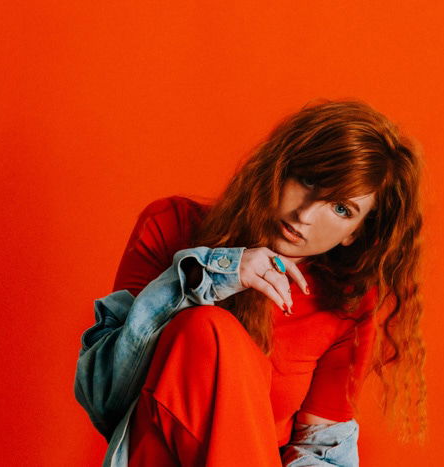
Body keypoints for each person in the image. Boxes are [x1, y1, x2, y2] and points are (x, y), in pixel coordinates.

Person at [74, 100, 425, 466]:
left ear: (354, 233)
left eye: (341, 209)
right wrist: (213, 273)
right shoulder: (170, 227)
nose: (305, 215)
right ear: (280, 169)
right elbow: (106, 398)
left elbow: (321, 451)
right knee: (205, 329)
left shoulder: (347, 302)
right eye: (307, 180)